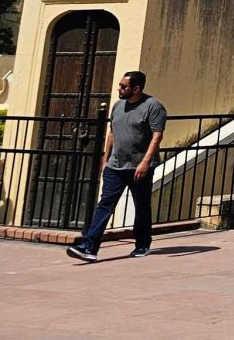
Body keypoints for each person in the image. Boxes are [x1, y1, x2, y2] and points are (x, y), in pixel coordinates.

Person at [66, 71, 167, 262]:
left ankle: (143, 244)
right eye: (120, 85)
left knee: (142, 205)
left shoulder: (153, 107)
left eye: (124, 86)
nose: (119, 89)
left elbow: (157, 136)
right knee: (105, 204)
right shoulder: (118, 106)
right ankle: (89, 247)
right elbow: (112, 133)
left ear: (136, 89)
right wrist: (106, 159)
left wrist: (145, 162)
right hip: (116, 166)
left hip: (139, 166)